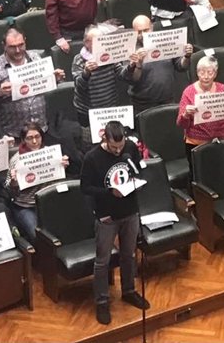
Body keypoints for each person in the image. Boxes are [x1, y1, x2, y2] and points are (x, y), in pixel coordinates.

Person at [80, 121, 150, 325]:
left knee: (129, 254)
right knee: (102, 262)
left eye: (120, 146)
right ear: (105, 139)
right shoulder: (92, 158)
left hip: (130, 211)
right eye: (113, 147)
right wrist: (110, 192)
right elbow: (85, 188)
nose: (118, 151)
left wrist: (136, 182)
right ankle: (102, 301)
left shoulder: (129, 148)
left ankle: (129, 290)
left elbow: (139, 170)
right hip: (106, 216)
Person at [0, 27, 65, 139]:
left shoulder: (36, 58)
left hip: (41, 128)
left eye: (21, 45)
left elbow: (45, 85)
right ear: (4, 45)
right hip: (13, 132)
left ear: (25, 41)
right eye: (12, 47)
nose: (17, 50)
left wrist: (55, 79)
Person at [71, 25, 143, 144]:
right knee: (92, 143)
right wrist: (86, 72)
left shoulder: (110, 56)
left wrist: (131, 66)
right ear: (86, 43)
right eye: (97, 41)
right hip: (87, 113)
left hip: (109, 109)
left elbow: (122, 75)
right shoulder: (78, 60)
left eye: (102, 40)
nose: (101, 44)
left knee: (112, 141)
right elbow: (79, 86)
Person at [4, 122, 70, 242]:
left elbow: (59, 182)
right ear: (23, 140)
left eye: (37, 137)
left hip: (49, 202)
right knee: (37, 236)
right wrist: (14, 182)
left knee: (63, 229)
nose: (34, 142)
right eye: (30, 138)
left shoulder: (51, 153)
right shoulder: (16, 160)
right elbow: (8, 189)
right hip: (26, 206)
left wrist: (62, 168)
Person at [176, 56, 224, 158]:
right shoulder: (188, 92)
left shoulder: (222, 88)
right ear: (197, 73)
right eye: (202, 72)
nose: (206, 76)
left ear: (215, 74)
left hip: (222, 139)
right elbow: (181, 124)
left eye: (210, 72)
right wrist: (186, 114)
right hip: (197, 144)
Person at [129, 15, 192, 114]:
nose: (142, 35)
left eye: (146, 30)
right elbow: (131, 78)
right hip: (142, 105)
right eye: (139, 32)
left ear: (152, 27)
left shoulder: (165, 41)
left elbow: (181, 66)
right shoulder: (130, 49)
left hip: (167, 100)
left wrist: (187, 56)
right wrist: (138, 65)